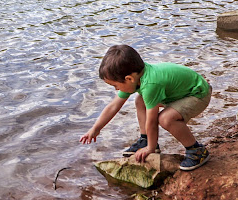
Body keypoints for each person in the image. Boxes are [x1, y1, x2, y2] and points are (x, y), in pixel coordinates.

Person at [79, 45, 212, 171]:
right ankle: (145, 139)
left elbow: (152, 121)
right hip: (180, 93)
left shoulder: (150, 85)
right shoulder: (137, 77)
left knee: (165, 119)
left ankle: (196, 151)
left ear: (129, 78)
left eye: (116, 86)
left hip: (198, 94)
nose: (117, 89)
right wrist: (96, 128)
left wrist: (150, 148)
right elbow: (114, 105)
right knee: (140, 100)